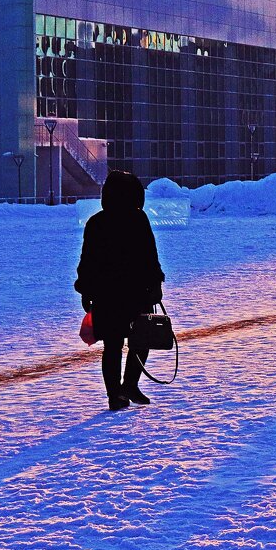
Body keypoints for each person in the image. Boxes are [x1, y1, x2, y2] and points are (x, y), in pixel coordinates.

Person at [75, 171, 165, 411]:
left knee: (113, 347)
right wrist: (155, 285)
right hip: (135, 292)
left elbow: (87, 261)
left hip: (107, 295)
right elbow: (150, 257)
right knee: (139, 341)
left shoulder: (97, 222)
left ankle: (116, 394)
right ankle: (129, 386)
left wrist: (86, 290)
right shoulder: (138, 219)